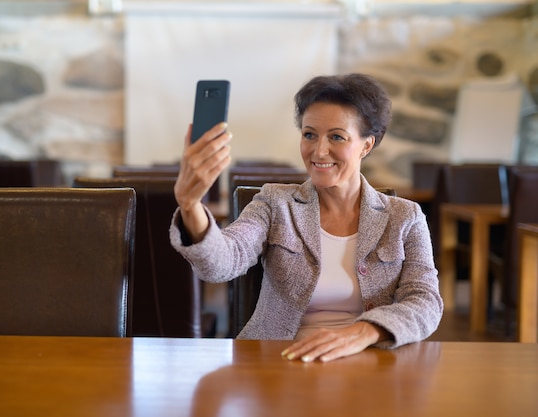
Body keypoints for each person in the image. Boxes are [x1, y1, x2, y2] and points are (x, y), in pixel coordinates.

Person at [170, 73, 443, 362]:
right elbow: (222, 263)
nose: (319, 150)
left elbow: (425, 301)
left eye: (336, 136)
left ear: (366, 145)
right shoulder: (276, 202)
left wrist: (363, 332)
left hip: (369, 362)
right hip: (277, 364)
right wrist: (190, 205)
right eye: (309, 134)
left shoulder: (405, 217)